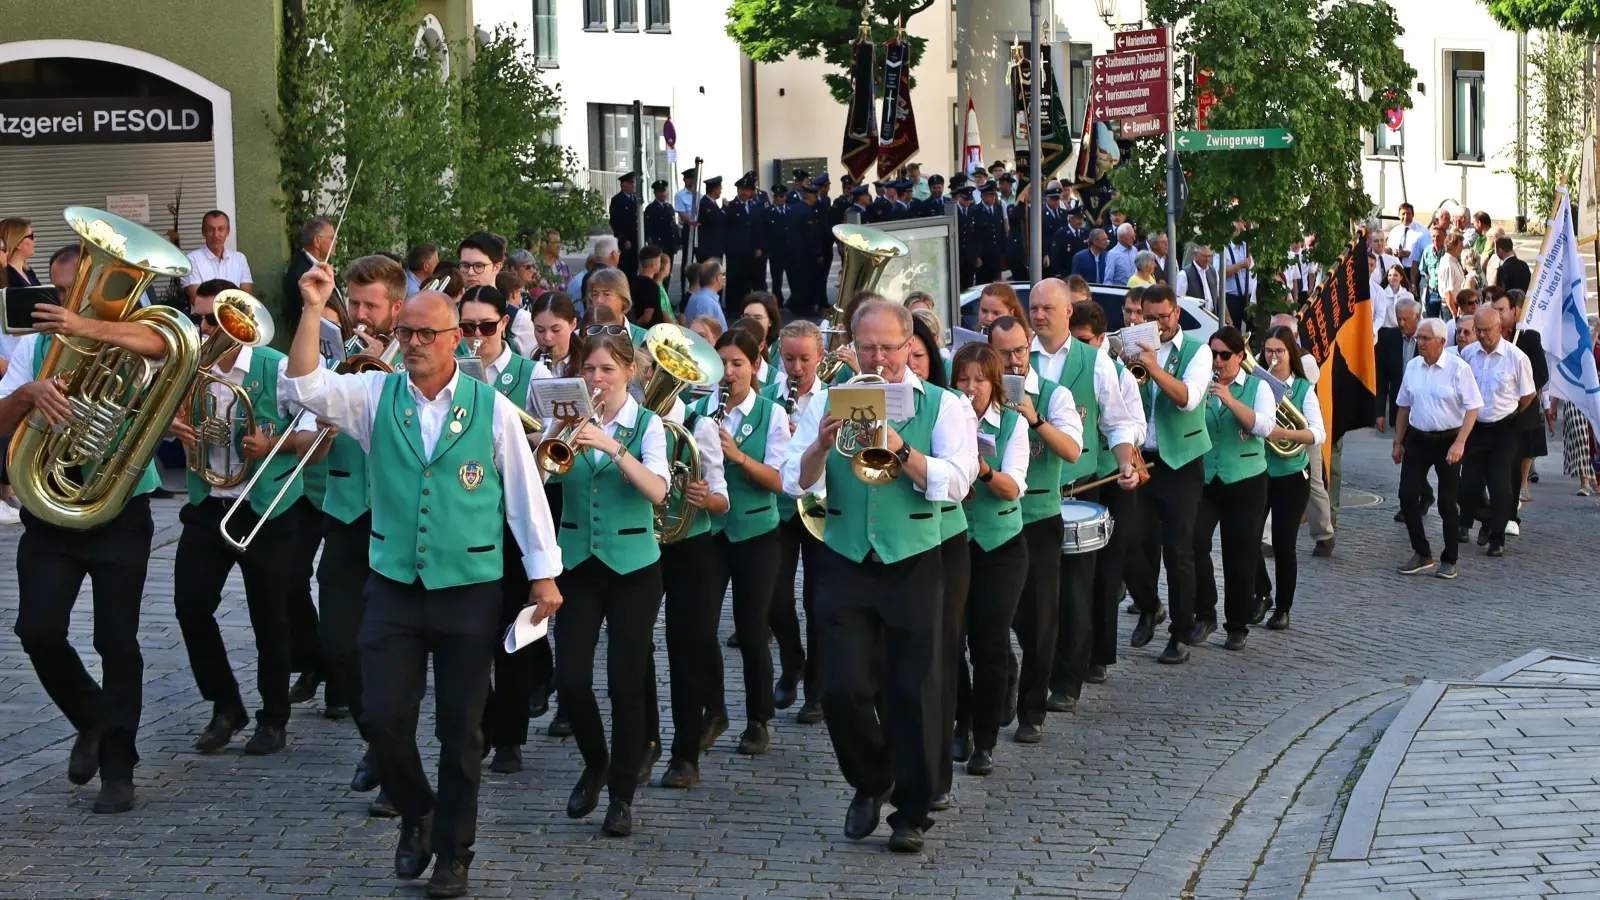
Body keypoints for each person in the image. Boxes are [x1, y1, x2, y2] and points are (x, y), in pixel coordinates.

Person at [288, 270, 561, 895]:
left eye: (423, 333)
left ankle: (453, 853)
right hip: (392, 584)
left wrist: (543, 575)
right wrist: (310, 311)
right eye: (404, 331)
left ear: (453, 339)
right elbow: (304, 384)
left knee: (460, 731)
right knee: (382, 717)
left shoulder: (492, 408)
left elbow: (524, 494)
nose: (410, 343)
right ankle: (417, 811)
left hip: (469, 586)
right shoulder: (372, 396)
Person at [781, 300, 979, 854]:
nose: (878, 357)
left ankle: (912, 812)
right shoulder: (826, 398)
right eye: (867, 347)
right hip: (844, 553)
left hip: (916, 554)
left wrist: (902, 447)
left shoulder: (944, 405)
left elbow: (958, 481)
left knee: (914, 690)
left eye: (889, 347)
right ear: (853, 345)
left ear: (908, 345)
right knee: (842, 688)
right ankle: (872, 780)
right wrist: (820, 444)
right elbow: (794, 483)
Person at [0, 289, 174, 813]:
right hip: (51, 508)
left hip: (120, 509)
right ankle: (95, 720)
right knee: (37, 630)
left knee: (115, 640)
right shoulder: (33, 348)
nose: (72, 304)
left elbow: (163, 346)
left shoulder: (136, 333)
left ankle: (119, 768)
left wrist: (84, 326)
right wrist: (28, 394)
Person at [169, 279, 311, 756]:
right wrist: (175, 426)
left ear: (238, 319)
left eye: (213, 318)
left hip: (264, 506)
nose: (204, 327)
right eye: (200, 318)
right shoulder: (193, 366)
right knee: (190, 606)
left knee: (269, 616)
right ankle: (226, 704)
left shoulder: (277, 367)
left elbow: (317, 434)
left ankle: (274, 718)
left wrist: (273, 445)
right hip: (208, 500)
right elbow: (164, 417)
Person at [306, 255, 406, 817]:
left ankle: (396, 768)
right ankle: (378, 738)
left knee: (392, 653)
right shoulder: (338, 360)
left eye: (371, 305)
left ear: (396, 306)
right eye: (355, 304)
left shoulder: (420, 355)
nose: (360, 315)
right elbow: (310, 431)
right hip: (346, 515)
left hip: (397, 518)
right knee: (339, 641)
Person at [1027, 281, 1141, 709]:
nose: (1039, 316)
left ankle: (1067, 681)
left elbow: (1118, 421)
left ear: (1068, 312)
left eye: (1047, 308)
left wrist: (1126, 460)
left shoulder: (1095, 362)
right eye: (1033, 308)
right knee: (1038, 595)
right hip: (1029, 491)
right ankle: (1039, 672)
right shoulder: (1019, 357)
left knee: (1076, 593)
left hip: (1078, 489)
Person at [984, 314, 1082, 736]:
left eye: (1020, 351)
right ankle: (1004, 679)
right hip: (991, 520)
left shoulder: (1055, 394)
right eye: (1003, 354)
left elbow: (1073, 451)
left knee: (1040, 621)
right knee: (990, 618)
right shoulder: (977, 394)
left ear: (1030, 348)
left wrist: (1034, 417)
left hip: (1039, 518)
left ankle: (1032, 711)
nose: (1013, 362)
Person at [700, 330, 790, 756]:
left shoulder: (771, 414)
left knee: (753, 630)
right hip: (709, 533)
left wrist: (738, 457)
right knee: (700, 629)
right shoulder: (698, 408)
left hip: (756, 533)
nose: (729, 372)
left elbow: (780, 481)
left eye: (738, 363)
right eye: (723, 364)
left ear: (755, 366)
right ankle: (714, 710)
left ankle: (759, 718)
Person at [949, 342, 1030, 778]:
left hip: (1001, 546)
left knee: (989, 643)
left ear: (995, 384)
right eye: (963, 379)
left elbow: (1013, 486)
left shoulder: (1012, 424)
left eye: (980, 379)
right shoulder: (946, 420)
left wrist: (981, 468)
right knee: (950, 639)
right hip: (955, 541)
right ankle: (962, 719)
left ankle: (985, 740)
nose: (971, 387)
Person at [1124, 285, 1213, 663]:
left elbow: (1187, 398)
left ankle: (1179, 634)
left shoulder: (1199, 351)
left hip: (1181, 462)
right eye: (1149, 317)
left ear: (1176, 314)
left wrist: (1155, 366)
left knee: (1178, 550)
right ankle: (1148, 605)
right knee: (1129, 541)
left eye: (1163, 317)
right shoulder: (1131, 346)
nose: (1156, 324)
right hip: (1142, 458)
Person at [1066, 301, 1147, 680]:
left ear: (1100, 339)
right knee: (1081, 570)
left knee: (1107, 568)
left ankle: (1099, 655)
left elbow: (1137, 428)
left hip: (1114, 476)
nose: (1080, 345)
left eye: (1085, 340)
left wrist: (1117, 442)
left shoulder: (1120, 374)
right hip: (1082, 478)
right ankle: (1076, 650)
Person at [1188, 326, 1276, 651]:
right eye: (1213, 354)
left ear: (1240, 356)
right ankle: (1204, 613)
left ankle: (1237, 625)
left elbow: (1265, 426)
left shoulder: (1257, 387)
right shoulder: (1201, 385)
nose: (1218, 361)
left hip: (1247, 480)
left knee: (1239, 555)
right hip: (1208, 479)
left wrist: (1229, 399)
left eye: (1225, 355)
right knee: (1193, 542)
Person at [763, 321, 826, 722]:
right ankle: (792, 662)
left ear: (820, 357)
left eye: (805, 358)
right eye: (789, 359)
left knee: (819, 601)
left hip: (821, 507)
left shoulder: (836, 396)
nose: (797, 367)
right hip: (780, 508)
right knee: (775, 597)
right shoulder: (767, 399)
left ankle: (818, 689)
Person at [1394, 317, 1481, 578]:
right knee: (1407, 496)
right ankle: (1422, 552)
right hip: (1418, 438)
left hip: (1448, 440)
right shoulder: (1413, 367)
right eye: (1418, 338)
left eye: (1424, 338)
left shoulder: (1458, 368)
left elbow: (1473, 407)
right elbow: (1403, 406)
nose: (1419, 343)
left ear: (1441, 342)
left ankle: (1449, 558)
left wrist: (1460, 442)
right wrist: (1398, 441)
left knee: (1446, 503)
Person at [1251, 327, 1324, 631]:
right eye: (1268, 351)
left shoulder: (1304, 389)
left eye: (1279, 351)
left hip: (1292, 475)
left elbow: (1318, 434)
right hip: (1257, 472)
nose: (1273, 357)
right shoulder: (1255, 384)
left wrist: (1284, 433)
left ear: (1290, 353)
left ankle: (1283, 607)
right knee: (1248, 537)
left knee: (1283, 543)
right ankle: (1262, 591)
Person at [1458, 306, 1536, 557]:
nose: (1481, 335)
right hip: (1476, 427)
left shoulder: (1516, 357)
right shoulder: (1468, 354)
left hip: (1505, 427)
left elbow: (1528, 394)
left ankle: (1497, 536)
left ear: (1499, 329)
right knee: (1467, 485)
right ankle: (1488, 519)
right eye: (1477, 330)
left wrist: (1511, 412)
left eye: (1486, 330)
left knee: (1501, 484)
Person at [180, 211, 254, 303]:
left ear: (227, 232)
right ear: (203, 232)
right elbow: (197, 300)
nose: (216, 235)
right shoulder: (191, 260)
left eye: (221, 229)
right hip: (204, 317)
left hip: (234, 317)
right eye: (211, 229)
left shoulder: (239, 259)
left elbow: (247, 298)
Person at [283, 217, 334, 337]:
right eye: (332, 238)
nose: (336, 242)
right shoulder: (304, 272)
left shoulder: (312, 266)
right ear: (317, 241)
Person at [529, 292, 578, 376]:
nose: (547, 338)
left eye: (556, 330)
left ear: (573, 325)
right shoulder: (526, 368)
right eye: (540, 330)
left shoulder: (589, 365)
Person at [972, 184, 1006, 284]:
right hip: (983, 257)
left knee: (997, 286)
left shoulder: (997, 209)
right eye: (990, 195)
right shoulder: (976, 210)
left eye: (994, 195)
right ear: (983, 196)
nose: (993, 198)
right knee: (983, 285)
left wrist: (1003, 251)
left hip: (996, 256)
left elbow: (1001, 231)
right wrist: (976, 256)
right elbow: (974, 236)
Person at [609, 171, 640, 277]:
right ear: (624, 185)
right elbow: (615, 222)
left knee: (635, 268)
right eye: (631, 183)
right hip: (626, 241)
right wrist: (623, 239)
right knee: (626, 269)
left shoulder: (636, 199)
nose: (634, 185)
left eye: (634, 182)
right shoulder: (617, 200)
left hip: (636, 239)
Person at [1177, 245, 1221, 316]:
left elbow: (1218, 296)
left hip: (1212, 317)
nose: (1207, 259)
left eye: (1209, 256)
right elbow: (1179, 302)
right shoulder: (1184, 274)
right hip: (1194, 319)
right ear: (1195, 254)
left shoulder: (1213, 272)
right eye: (1204, 256)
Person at [685, 261, 727, 330]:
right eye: (723, 274)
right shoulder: (707, 303)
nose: (724, 277)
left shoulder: (701, 298)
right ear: (718, 278)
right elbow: (706, 335)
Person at [695, 176, 727, 264]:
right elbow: (716, 220)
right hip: (708, 249)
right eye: (720, 189)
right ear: (714, 190)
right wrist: (724, 208)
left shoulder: (712, 203)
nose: (721, 191)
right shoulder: (705, 204)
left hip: (714, 248)